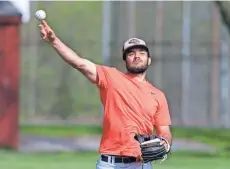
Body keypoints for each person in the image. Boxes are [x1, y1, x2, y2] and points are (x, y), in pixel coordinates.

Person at [39, 20, 172, 169]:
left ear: (149, 60)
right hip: (109, 163)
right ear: (125, 61)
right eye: (131, 53)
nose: (137, 56)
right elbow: (79, 63)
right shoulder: (111, 77)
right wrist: (54, 41)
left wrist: (165, 144)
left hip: (141, 164)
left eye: (142, 53)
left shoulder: (158, 96)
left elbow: (164, 131)